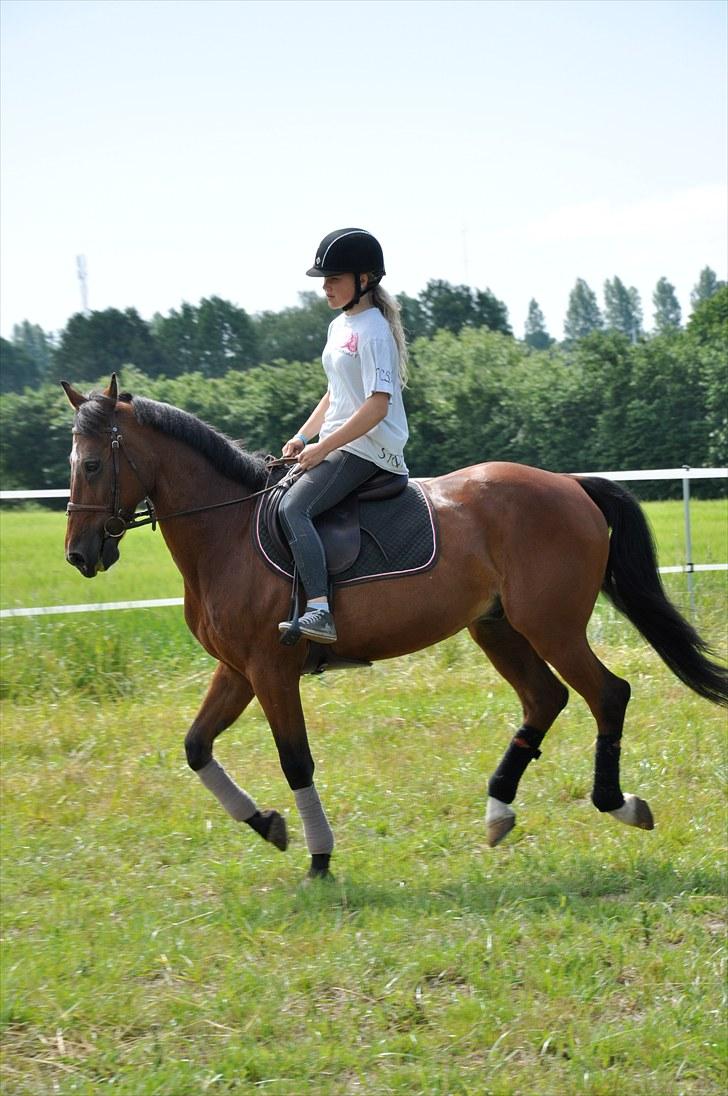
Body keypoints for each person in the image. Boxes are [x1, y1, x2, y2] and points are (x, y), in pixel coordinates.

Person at [278, 228, 410, 644]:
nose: (325, 288)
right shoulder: (340, 327)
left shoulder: (374, 331)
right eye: (323, 280)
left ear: (365, 280)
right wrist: (303, 435)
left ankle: (319, 610)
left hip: (369, 448)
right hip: (341, 442)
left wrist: (323, 449)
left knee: (293, 510)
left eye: (333, 279)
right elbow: (336, 392)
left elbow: (376, 406)